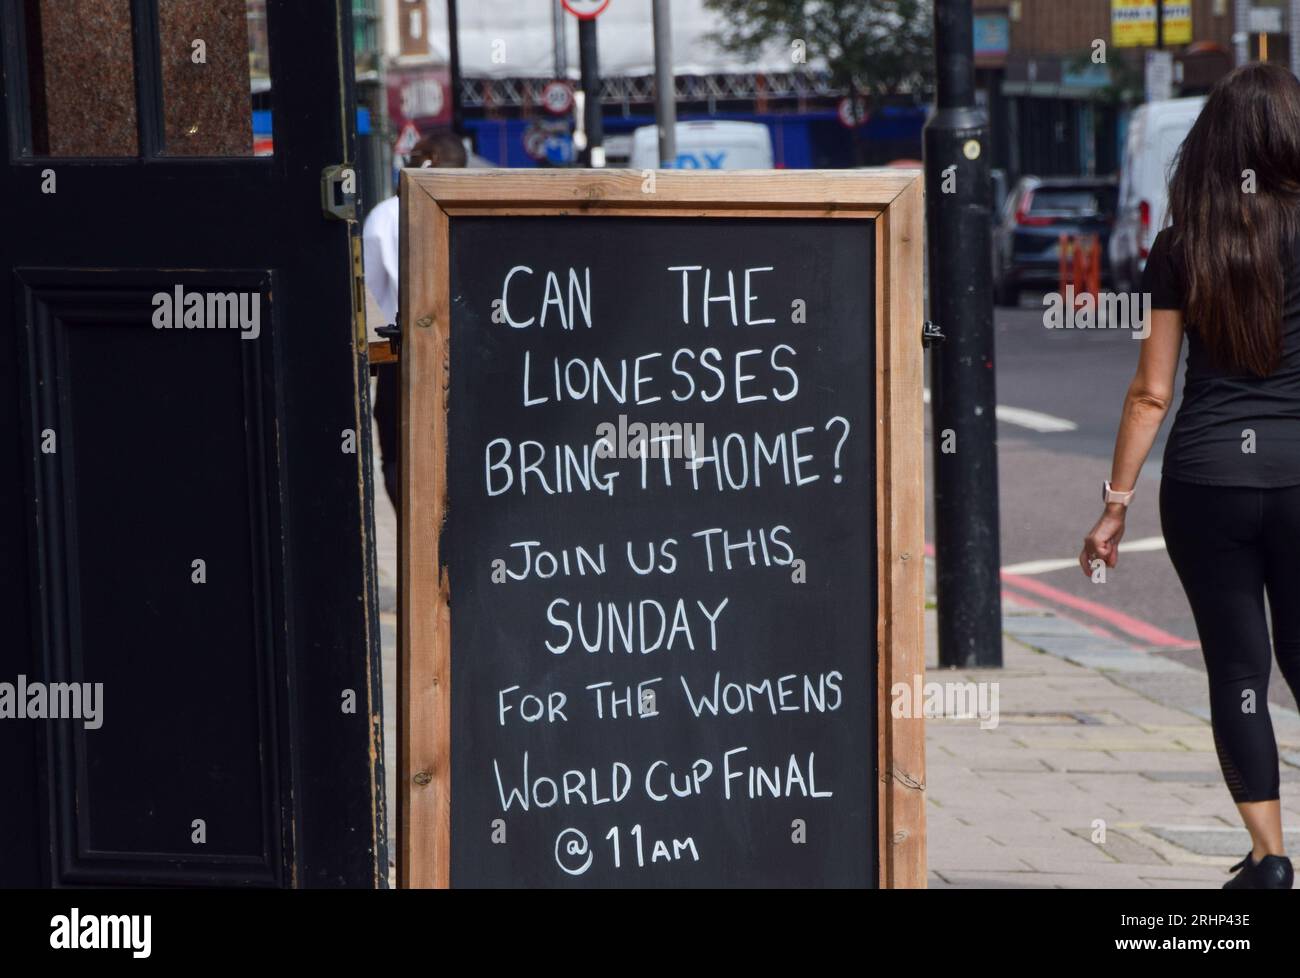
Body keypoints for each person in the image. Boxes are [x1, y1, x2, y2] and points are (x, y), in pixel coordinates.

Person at [1080, 62, 1300, 889]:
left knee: (1239, 671)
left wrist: (1114, 508)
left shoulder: (1184, 245)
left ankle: (1270, 861)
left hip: (1207, 482)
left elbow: (1151, 392)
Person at [364, 130, 467, 510]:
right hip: (472, 353)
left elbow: (368, 290)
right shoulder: (484, 210)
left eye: (414, 154)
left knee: (400, 453)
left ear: (431, 159)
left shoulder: (390, 214)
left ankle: (414, 537)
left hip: (406, 355)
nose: (405, 161)